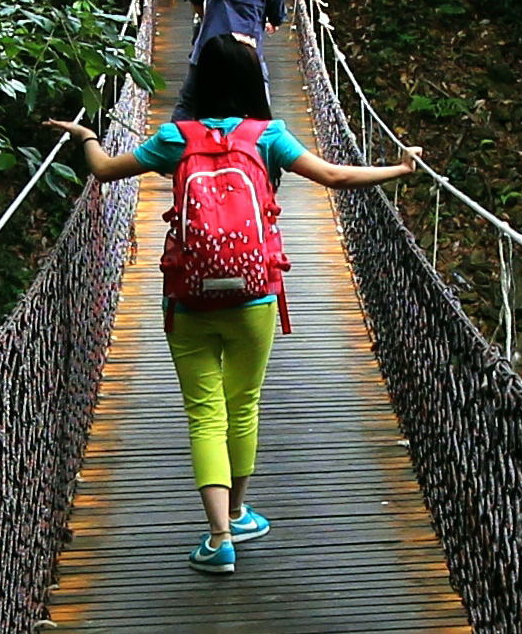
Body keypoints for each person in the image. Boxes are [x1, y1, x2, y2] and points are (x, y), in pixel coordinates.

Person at [52, 37, 415, 571]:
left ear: (199, 83)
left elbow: (103, 170)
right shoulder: (270, 136)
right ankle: (241, 511)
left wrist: (86, 137)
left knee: (205, 415)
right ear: (253, 82)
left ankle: (219, 536)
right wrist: (401, 170)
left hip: (189, 294)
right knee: (242, 406)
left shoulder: (176, 136)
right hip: (255, 291)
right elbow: (337, 177)